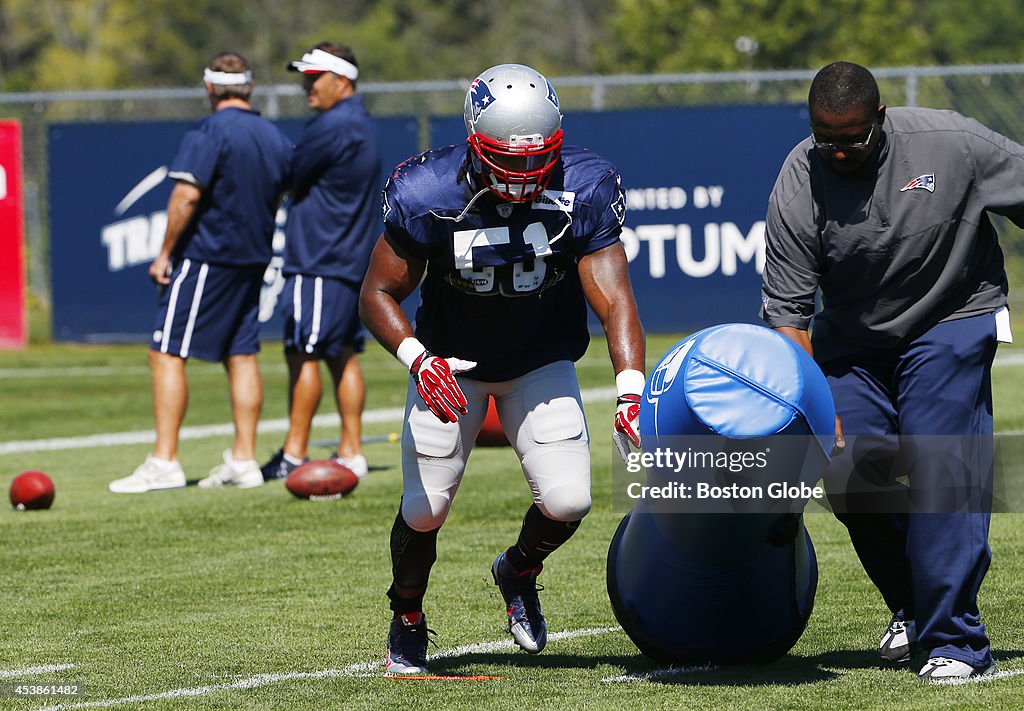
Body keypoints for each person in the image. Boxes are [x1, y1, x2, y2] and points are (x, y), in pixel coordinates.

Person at [359, 63, 646, 674]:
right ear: (473, 140)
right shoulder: (427, 190)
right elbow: (377, 294)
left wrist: (629, 388)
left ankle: (517, 570)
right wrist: (418, 358)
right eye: (505, 159)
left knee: (569, 499)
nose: (521, 175)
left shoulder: (585, 185)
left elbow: (614, 295)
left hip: (538, 359)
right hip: (451, 365)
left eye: (536, 158)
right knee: (425, 509)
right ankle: (407, 617)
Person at [761, 61, 1018, 680]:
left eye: (852, 137)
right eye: (827, 138)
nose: (839, 151)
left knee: (939, 468)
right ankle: (913, 602)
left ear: (880, 118)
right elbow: (790, 320)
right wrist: (817, 410)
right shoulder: (798, 185)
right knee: (851, 478)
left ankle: (955, 641)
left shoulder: (951, 142)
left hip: (951, 318)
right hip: (855, 342)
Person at [109, 52, 292, 494]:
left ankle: (165, 461)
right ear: (248, 88)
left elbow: (186, 195)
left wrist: (164, 252)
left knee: (167, 351)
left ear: (209, 88)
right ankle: (244, 459)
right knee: (242, 354)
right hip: (253, 257)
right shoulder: (273, 137)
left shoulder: (210, 130)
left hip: (209, 256)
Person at [260, 43, 379, 482]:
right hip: (345, 260)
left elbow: (288, 175)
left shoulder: (334, 125)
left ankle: (294, 452)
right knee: (341, 355)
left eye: (315, 78)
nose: (306, 86)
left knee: (305, 354)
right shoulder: (359, 123)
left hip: (320, 259)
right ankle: (350, 449)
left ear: (341, 80)